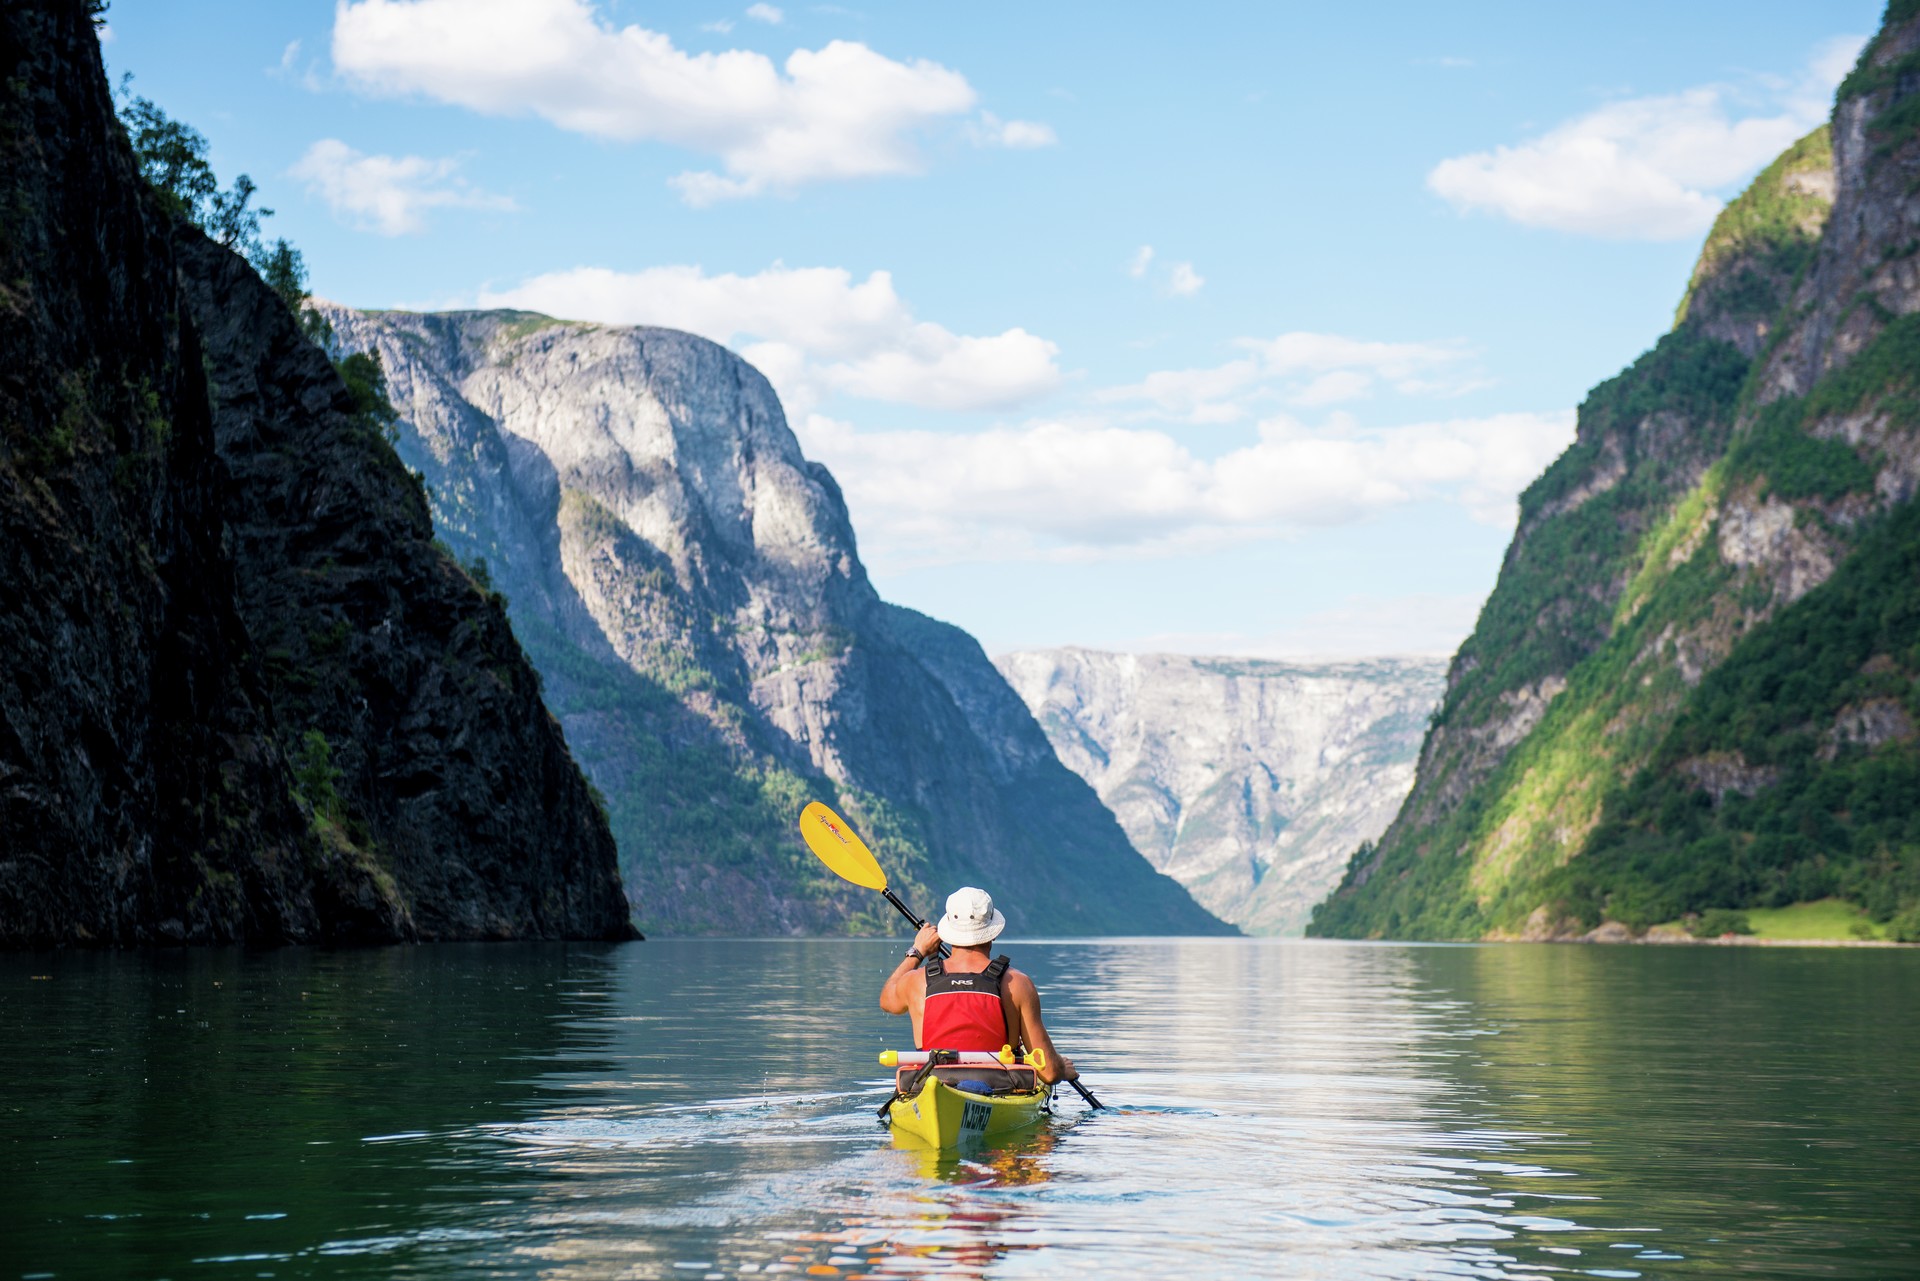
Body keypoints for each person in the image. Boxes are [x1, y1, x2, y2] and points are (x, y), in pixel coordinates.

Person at [879, 886, 1078, 1085]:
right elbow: (1050, 1073)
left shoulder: (917, 981)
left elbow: (887, 1000)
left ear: (947, 932)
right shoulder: (1017, 984)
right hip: (998, 1087)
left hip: (931, 1083)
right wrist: (1062, 1067)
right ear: (993, 933)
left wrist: (918, 951)